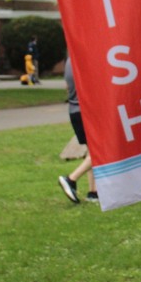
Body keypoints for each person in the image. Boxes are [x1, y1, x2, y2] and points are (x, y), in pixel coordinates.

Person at [58, 57, 98, 204]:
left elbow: (67, 87)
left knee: (91, 151)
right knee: (100, 151)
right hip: (87, 111)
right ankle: (71, 179)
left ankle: (93, 193)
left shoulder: (69, 60)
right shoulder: (85, 57)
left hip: (74, 111)